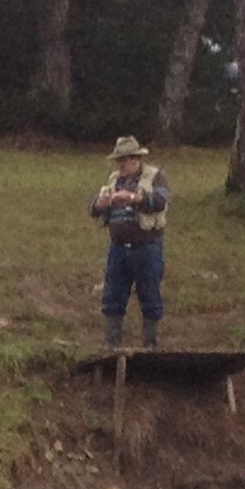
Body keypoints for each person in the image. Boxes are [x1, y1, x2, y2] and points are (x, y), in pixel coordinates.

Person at [89, 135, 171, 349]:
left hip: (147, 247)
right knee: (112, 296)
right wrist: (100, 204)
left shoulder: (156, 177)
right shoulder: (113, 180)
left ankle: (150, 345)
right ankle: (111, 344)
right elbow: (93, 208)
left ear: (136, 159)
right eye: (119, 160)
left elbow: (160, 201)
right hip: (118, 248)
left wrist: (134, 198)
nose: (121, 165)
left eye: (124, 160)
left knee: (150, 295)